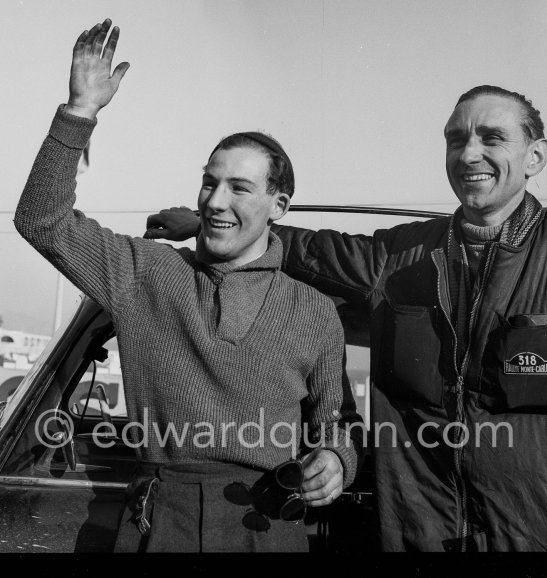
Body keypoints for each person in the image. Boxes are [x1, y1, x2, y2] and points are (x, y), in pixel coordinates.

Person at [146, 85, 547, 552]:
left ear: (535, 157)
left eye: (492, 138)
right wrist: (209, 224)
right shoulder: (400, 255)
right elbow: (313, 252)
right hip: (419, 533)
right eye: (456, 139)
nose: (469, 153)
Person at [15, 19, 362, 553]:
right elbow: (42, 221)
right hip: (157, 522)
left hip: (267, 526)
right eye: (209, 181)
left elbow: (335, 421)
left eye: (239, 188)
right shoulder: (146, 272)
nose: (215, 201)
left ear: (279, 206)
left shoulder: (314, 310)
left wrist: (337, 460)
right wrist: (79, 112)